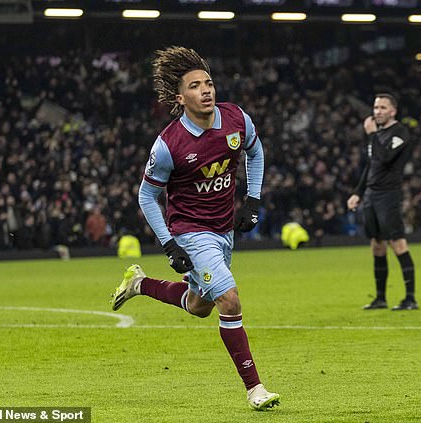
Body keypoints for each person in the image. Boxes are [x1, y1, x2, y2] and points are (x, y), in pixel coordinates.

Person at [110, 46, 280, 410]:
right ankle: (255, 388)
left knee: (200, 305)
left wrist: (253, 200)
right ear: (180, 98)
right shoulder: (169, 144)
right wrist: (171, 244)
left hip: (223, 231)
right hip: (190, 231)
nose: (206, 90)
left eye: (209, 83)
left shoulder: (235, 119)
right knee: (229, 299)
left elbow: (256, 151)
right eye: (195, 86)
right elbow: (146, 196)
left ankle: (140, 283)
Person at [346, 93, 418, 311]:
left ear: (393, 111)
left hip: (389, 194)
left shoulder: (400, 132)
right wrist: (358, 192)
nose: (377, 111)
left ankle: (410, 299)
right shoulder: (376, 135)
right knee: (377, 245)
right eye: (375, 107)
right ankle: (380, 298)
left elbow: (386, 158)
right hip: (371, 194)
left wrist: (372, 135)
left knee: (398, 243)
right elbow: (371, 165)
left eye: (382, 108)